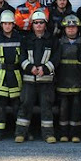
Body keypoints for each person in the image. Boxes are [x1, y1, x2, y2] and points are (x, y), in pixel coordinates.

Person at [15, 11, 60, 144]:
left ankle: (48, 135)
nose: (39, 25)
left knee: (47, 107)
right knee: (25, 106)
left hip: (46, 81)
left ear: (45, 24)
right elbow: (21, 57)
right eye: (36, 23)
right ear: (32, 25)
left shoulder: (52, 40)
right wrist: (30, 68)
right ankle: (20, 134)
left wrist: (45, 69)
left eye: (41, 22)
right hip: (29, 80)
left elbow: (56, 58)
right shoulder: (26, 39)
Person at [0, 10, 23, 142]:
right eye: (5, 24)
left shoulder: (19, 38)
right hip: (0, 75)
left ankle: (19, 132)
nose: (7, 26)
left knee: (17, 106)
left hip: (15, 74)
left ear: (13, 24)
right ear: (1, 25)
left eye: (10, 23)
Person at [55, 14, 81, 143]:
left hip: (77, 81)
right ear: (64, 29)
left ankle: (75, 134)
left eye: (73, 27)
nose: (71, 29)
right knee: (63, 109)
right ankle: (63, 134)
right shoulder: (59, 43)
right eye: (68, 27)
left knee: (76, 109)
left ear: (78, 28)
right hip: (62, 80)